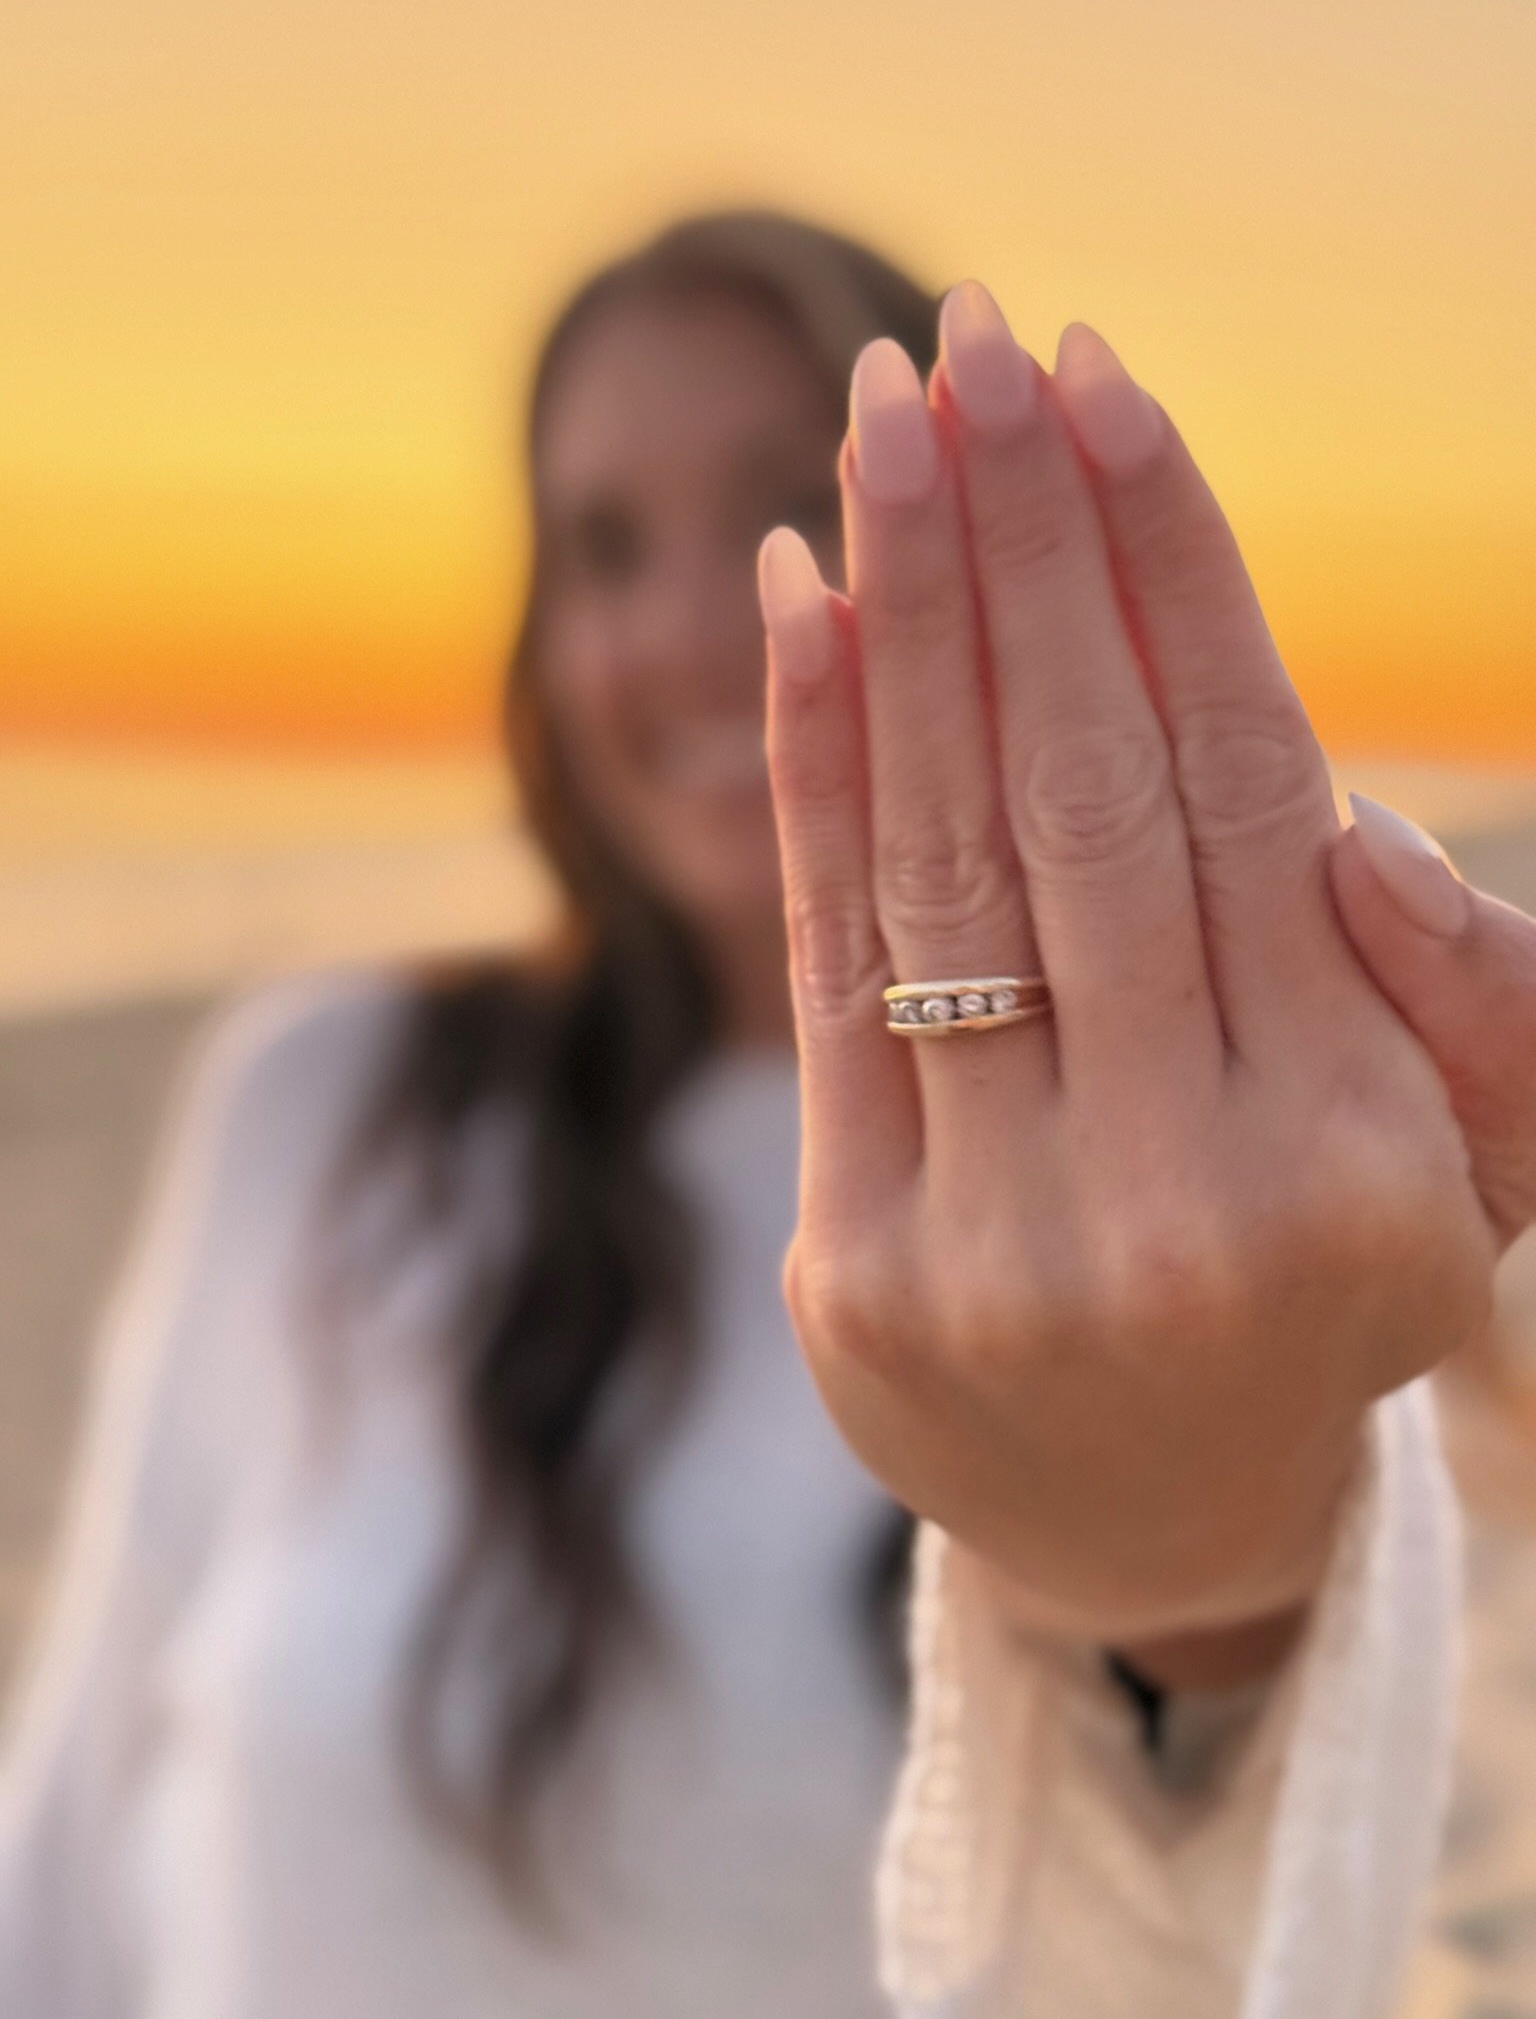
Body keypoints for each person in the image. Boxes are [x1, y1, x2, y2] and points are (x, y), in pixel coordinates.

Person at [0, 206, 1529, 2019]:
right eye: (601, 546)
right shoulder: (327, 1103)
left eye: (783, 507)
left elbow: (1343, 1886)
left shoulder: (1212, 1184)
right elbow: (78, 1819)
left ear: (960, 547)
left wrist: (1189, 1584)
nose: (692, 621)